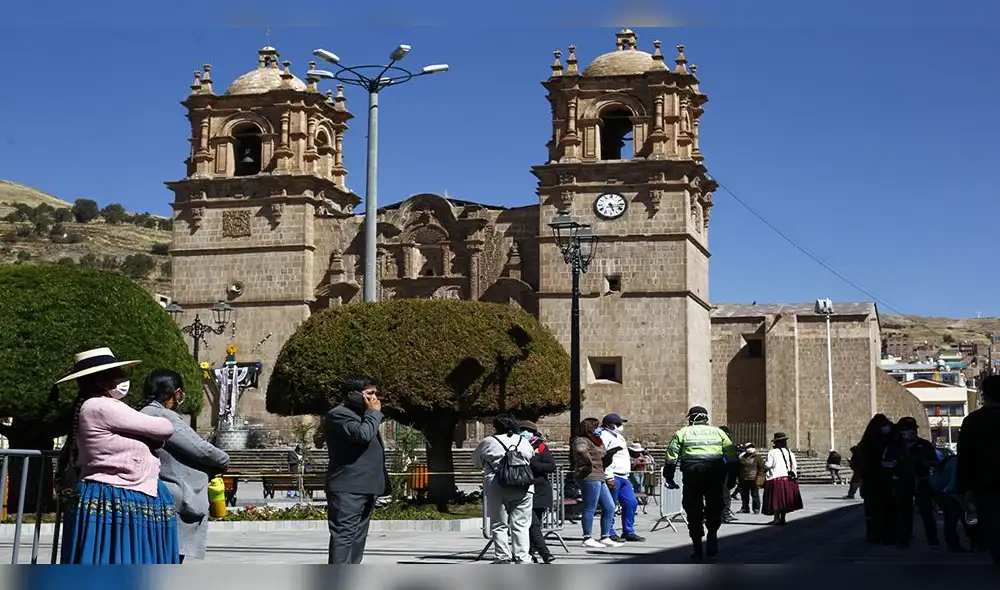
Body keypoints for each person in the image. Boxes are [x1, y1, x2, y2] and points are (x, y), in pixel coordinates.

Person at [55, 347, 179, 564]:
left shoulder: (95, 406)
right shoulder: (102, 406)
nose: (123, 379)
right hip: (118, 493)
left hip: (121, 492)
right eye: (117, 374)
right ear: (102, 381)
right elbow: (164, 427)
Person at [139, 368, 231, 563]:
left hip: (153, 492)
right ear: (176, 393)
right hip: (175, 494)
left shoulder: (141, 413)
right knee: (169, 558)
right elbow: (200, 448)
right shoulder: (163, 416)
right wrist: (223, 460)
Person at [323, 376, 389, 564]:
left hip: (367, 486)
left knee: (358, 539)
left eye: (376, 393)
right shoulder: (339, 414)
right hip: (348, 487)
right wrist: (374, 414)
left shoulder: (364, 415)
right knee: (344, 537)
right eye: (370, 394)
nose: (375, 399)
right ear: (353, 395)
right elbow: (363, 435)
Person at [662, 406, 738, 561]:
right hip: (715, 475)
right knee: (714, 507)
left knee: (693, 509)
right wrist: (731, 478)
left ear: (691, 418)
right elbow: (732, 455)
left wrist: (668, 476)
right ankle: (712, 534)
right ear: (706, 418)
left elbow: (671, 456)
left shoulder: (683, 432)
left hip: (692, 476)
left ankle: (697, 546)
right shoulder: (719, 432)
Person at [473, 414, 536, 564]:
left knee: (499, 524)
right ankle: (522, 557)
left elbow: (476, 461)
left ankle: (502, 556)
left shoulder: (488, 441)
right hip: (523, 485)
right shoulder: (523, 441)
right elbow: (530, 456)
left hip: (497, 486)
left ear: (496, 427)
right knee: (521, 524)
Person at [956, 374, 1000, 565]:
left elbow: (965, 457)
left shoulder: (973, 421)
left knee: (994, 527)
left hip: (985, 485)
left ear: (984, 395)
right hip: (985, 484)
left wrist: (964, 489)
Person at [883, 416, 940, 548]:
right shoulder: (894, 447)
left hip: (922, 481)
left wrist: (925, 464)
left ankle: (933, 539)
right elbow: (884, 463)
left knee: (926, 512)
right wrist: (892, 464)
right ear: (901, 432)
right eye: (908, 430)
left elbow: (935, 462)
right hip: (902, 481)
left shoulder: (925, 445)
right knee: (904, 512)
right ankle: (904, 540)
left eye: (914, 429)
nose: (912, 432)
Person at [571, 418, 624, 549]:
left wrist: (610, 455)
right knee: (590, 507)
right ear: (589, 428)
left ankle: (605, 536)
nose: (598, 429)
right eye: (595, 427)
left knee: (610, 506)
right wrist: (588, 463)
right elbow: (580, 450)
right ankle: (587, 537)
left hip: (600, 476)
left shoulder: (598, 441)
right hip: (589, 476)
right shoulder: (582, 440)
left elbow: (603, 461)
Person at [599, 414, 645, 542]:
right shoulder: (604, 436)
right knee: (611, 505)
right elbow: (605, 457)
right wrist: (608, 477)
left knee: (631, 502)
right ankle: (609, 531)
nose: (621, 426)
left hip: (624, 475)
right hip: (613, 475)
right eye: (618, 424)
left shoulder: (619, 436)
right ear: (609, 425)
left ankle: (628, 531)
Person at [518, 421, 556, 564]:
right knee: (532, 524)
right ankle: (545, 553)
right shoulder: (517, 445)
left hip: (540, 490)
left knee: (535, 524)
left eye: (527, 430)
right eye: (522, 430)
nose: (524, 433)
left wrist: (533, 464)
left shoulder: (540, 446)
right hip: (524, 489)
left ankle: (530, 552)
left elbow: (551, 466)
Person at [857, 414, 895, 543]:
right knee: (874, 509)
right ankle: (875, 534)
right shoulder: (868, 445)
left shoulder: (891, 441)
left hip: (887, 481)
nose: (886, 428)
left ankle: (886, 533)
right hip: (873, 482)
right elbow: (863, 464)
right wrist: (880, 465)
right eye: (883, 426)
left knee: (887, 509)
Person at [762, 432, 803, 525]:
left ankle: (776, 518)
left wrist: (764, 467)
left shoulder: (772, 452)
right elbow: (794, 466)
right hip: (788, 479)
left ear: (776, 443)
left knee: (776, 500)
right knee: (785, 501)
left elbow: (768, 465)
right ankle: (783, 518)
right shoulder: (790, 453)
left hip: (775, 479)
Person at [737, 443, 766, 514]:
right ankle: (745, 508)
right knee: (744, 495)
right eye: (748, 447)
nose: (749, 448)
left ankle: (756, 508)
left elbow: (761, 468)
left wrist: (760, 478)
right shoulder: (742, 456)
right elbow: (739, 467)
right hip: (744, 478)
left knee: (755, 495)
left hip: (754, 478)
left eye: (751, 447)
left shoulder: (758, 457)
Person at [719, 426, 739, 524]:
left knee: (723, 494)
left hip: (725, 472)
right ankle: (724, 514)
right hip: (723, 472)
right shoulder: (724, 444)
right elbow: (731, 459)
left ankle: (723, 513)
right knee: (724, 495)